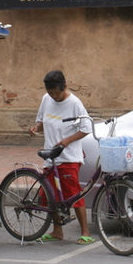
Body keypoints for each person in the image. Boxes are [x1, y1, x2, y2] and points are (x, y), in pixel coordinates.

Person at [29, 70, 95, 245]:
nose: (54, 97)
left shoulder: (75, 103)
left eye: (56, 94)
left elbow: (86, 128)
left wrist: (66, 141)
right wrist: (36, 128)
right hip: (50, 156)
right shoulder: (46, 99)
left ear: (64, 87)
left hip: (68, 157)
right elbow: (42, 122)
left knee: (73, 194)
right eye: (50, 93)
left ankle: (85, 231)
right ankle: (57, 231)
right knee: (51, 196)